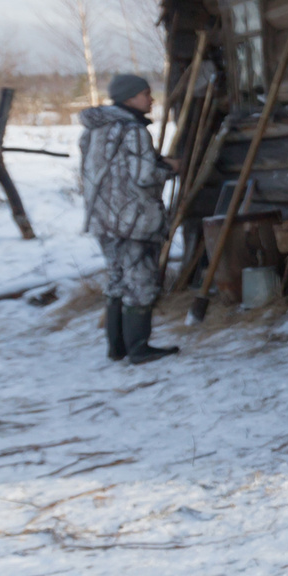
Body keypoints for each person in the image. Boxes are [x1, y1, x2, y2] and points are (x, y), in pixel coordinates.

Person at [79, 73, 178, 364]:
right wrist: (170, 168)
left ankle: (117, 347)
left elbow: (110, 171)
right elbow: (144, 176)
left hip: (103, 217)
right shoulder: (133, 130)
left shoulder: (94, 130)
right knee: (140, 281)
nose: (151, 99)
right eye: (146, 93)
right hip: (133, 219)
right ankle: (138, 347)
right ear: (130, 97)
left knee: (117, 280)